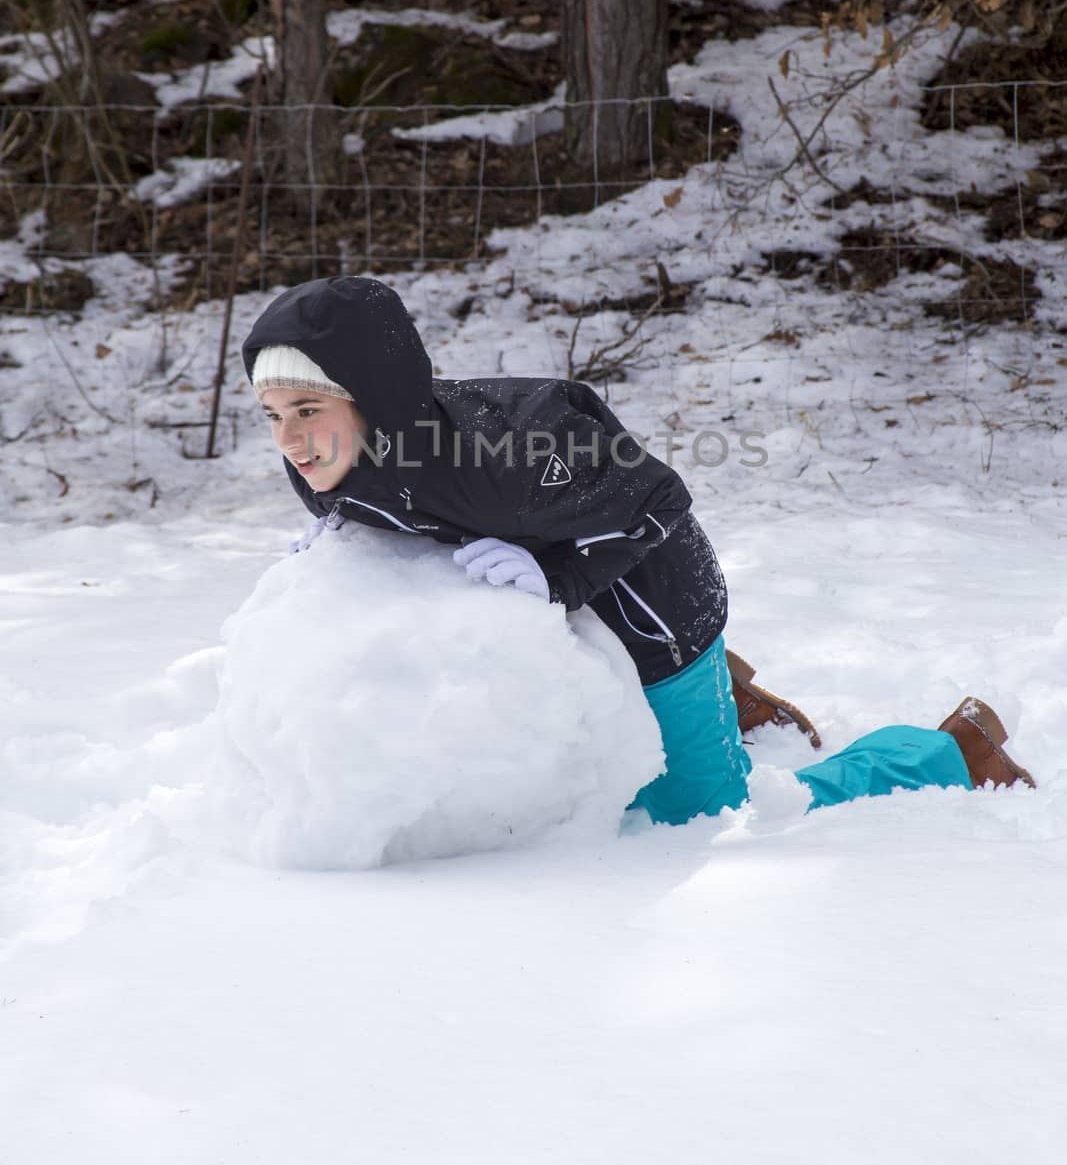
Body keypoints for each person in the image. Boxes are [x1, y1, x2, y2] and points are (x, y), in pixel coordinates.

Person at [242, 275, 1036, 827]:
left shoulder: (511, 461)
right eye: (272, 413)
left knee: (709, 818)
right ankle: (728, 702)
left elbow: (660, 499)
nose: (288, 440)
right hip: (582, 625)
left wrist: (553, 577)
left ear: (373, 400)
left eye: (306, 408)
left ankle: (940, 752)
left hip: (659, 612)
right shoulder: (323, 459)